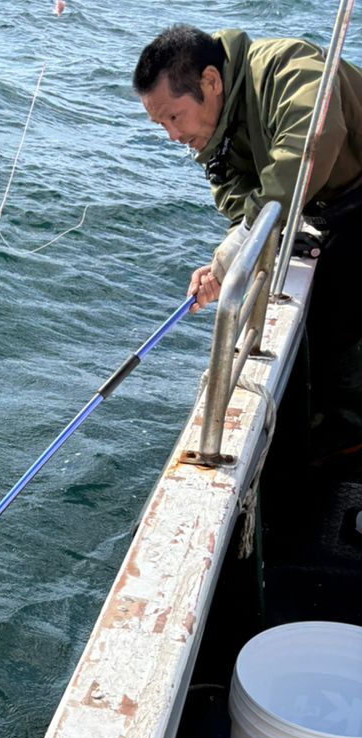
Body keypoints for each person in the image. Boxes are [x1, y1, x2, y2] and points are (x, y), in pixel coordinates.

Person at [133, 25, 362, 454]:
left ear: (211, 82)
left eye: (173, 116)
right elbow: (236, 200)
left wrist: (238, 248)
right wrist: (234, 254)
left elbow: (311, 143)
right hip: (329, 207)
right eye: (160, 123)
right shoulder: (214, 131)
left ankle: (348, 431)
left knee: (340, 293)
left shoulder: (287, 66)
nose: (172, 136)